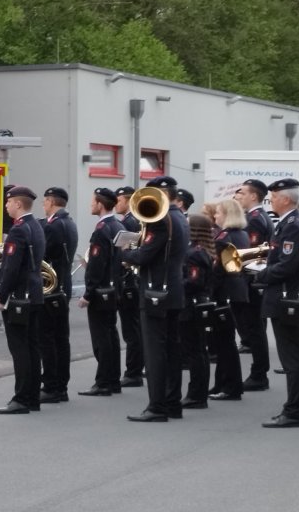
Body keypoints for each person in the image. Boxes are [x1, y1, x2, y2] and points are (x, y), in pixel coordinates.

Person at [119, 176, 187, 422]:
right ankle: (172, 403)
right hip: (173, 291)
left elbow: (146, 255)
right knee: (171, 349)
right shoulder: (180, 217)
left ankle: (157, 407)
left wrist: (126, 253)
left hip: (156, 292)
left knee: (155, 351)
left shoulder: (161, 221)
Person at [256, 178, 299, 428]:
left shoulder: (292, 224)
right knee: (293, 357)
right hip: (285, 297)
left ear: (287, 199)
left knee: (293, 359)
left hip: (287, 298)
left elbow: (287, 265)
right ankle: (294, 408)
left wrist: (260, 274)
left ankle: (294, 411)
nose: (272, 200)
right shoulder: (289, 223)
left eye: (275, 196)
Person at [0, 186, 45, 414]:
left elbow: (11, 269)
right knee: (32, 347)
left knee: (20, 349)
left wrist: (1, 297)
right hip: (33, 295)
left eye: (8, 202)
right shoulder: (36, 226)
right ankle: (32, 397)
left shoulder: (18, 231)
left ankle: (22, 399)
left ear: (18, 204)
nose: (6, 205)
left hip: (19, 298)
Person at [79, 187, 124, 396]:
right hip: (114, 288)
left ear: (100, 204)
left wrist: (88, 293)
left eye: (93, 201)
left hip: (101, 291)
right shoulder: (119, 226)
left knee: (101, 339)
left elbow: (97, 265)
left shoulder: (102, 229)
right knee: (111, 335)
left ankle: (103, 382)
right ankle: (113, 379)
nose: (90, 205)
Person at [39, 186, 77, 403]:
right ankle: (60, 385)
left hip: (52, 290)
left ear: (51, 202)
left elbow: (41, 257)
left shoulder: (54, 226)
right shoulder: (69, 222)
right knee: (61, 339)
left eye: (44, 202)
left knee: (49, 339)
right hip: (62, 288)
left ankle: (52, 386)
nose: (43, 206)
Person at [234, 178, 272, 391]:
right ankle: (259, 372)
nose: (238, 196)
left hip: (252, 280)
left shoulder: (256, 219)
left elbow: (253, 252)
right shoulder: (254, 216)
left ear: (253, 196)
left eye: (242, 193)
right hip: (252, 279)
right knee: (253, 329)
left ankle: (259, 374)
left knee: (255, 330)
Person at [209, 199, 250, 400]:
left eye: (218, 213)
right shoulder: (241, 234)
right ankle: (221, 384)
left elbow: (218, 270)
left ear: (227, 214)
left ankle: (230, 386)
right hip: (238, 291)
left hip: (225, 293)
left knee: (224, 342)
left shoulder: (223, 238)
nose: (215, 216)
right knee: (226, 341)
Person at [181, 213, 215, 410]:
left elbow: (194, 281)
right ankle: (198, 393)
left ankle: (196, 395)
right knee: (199, 351)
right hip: (199, 304)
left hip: (192, 306)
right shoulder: (201, 250)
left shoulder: (194, 253)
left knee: (195, 352)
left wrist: (174, 283)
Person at [114, 185, 144, 387]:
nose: (116, 204)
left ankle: (133, 372)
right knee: (133, 329)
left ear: (127, 200)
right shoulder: (131, 220)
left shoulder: (130, 221)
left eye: (119, 200)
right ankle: (135, 369)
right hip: (131, 280)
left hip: (129, 280)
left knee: (131, 330)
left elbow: (129, 251)